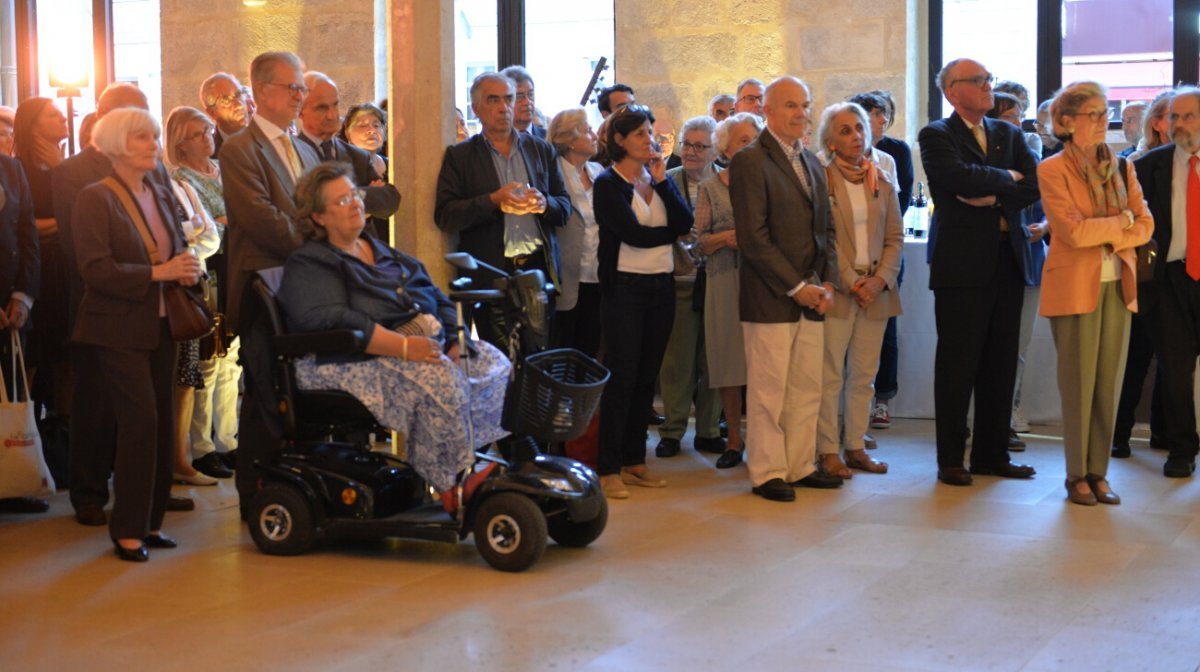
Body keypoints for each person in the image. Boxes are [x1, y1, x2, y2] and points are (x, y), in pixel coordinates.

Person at [278, 162, 509, 499]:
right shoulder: (311, 262)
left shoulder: (386, 253)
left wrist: (454, 342)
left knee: (490, 361)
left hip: (411, 345)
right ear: (318, 217)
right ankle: (451, 483)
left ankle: (476, 458)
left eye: (355, 194)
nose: (355, 203)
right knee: (439, 378)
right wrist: (403, 347)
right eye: (341, 201)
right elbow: (334, 319)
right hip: (345, 359)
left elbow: (436, 298)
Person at [53, 82, 195, 525]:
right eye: (140, 123)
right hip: (106, 309)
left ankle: (148, 495)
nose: (153, 140)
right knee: (96, 406)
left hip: (158, 309)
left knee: (153, 413)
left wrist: (184, 264)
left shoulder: (154, 173)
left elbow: (175, 225)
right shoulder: (76, 175)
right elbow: (84, 257)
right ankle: (91, 493)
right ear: (112, 121)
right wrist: (153, 273)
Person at [919, 58, 1040, 487]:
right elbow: (957, 178)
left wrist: (993, 196)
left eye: (989, 79)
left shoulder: (1009, 132)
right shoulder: (936, 134)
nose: (989, 86)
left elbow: (1034, 185)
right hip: (963, 267)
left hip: (1007, 261)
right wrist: (1006, 177)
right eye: (979, 81)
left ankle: (992, 454)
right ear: (952, 91)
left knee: (1000, 363)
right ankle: (951, 458)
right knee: (958, 365)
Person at [1040, 81, 1153, 504]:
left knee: (1108, 384)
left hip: (1118, 285)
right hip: (1074, 287)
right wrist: (1120, 224)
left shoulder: (1124, 167)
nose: (1105, 122)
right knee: (1078, 385)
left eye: (1107, 112)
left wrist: (1118, 226)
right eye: (1095, 114)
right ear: (1066, 122)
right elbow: (1071, 232)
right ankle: (1075, 475)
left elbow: (1146, 224)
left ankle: (1099, 472)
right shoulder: (1052, 169)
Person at [731, 77, 842, 502]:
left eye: (806, 105)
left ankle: (799, 465)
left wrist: (826, 283)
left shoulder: (812, 161)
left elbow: (827, 231)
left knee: (805, 388)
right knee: (768, 391)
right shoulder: (749, 161)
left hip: (812, 296)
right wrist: (796, 287)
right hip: (770, 298)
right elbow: (755, 238)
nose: (801, 114)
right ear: (769, 112)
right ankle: (767, 472)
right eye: (791, 106)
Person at [220, 50, 321, 507]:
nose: (302, 95)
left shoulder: (305, 148)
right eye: (293, 87)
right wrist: (316, 249)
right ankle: (254, 494)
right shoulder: (241, 148)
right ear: (262, 91)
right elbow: (260, 217)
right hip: (264, 286)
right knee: (263, 387)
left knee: (302, 390)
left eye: (303, 87)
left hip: (305, 291)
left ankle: (297, 485)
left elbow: (324, 208)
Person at [592, 105, 693, 499]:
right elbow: (633, 234)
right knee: (622, 377)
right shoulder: (607, 183)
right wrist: (671, 234)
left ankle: (636, 461)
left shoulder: (657, 179)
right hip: (624, 289)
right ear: (620, 140)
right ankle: (608, 467)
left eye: (650, 132)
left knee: (646, 378)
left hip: (660, 286)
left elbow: (684, 223)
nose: (649, 139)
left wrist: (663, 182)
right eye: (640, 134)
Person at [434, 72, 570, 352]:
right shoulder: (460, 156)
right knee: (501, 365)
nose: (503, 107)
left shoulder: (541, 149)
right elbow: (446, 215)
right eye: (493, 100)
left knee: (538, 361)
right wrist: (493, 200)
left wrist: (544, 204)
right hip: (493, 272)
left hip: (537, 269)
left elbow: (565, 207)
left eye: (509, 98)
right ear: (477, 109)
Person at [813, 102, 901, 479]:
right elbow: (824, 240)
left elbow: (894, 237)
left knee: (864, 375)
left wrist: (880, 279)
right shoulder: (822, 177)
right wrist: (852, 282)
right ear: (830, 140)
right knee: (830, 374)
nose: (856, 136)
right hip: (839, 288)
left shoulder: (879, 176)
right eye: (846, 130)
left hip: (876, 289)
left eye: (860, 128)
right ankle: (827, 450)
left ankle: (856, 446)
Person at [166, 106, 238, 481]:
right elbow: (210, 229)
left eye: (209, 130)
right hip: (207, 271)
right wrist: (225, 222)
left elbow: (234, 218)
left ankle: (229, 439)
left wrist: (226, 221)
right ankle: (202, 446)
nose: (209, 137)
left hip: (236, 264)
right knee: (208, 360)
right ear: (180, 142)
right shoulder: (181, 180)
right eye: (199, 133)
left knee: (232, 360)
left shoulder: (223, 171)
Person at [1135, 86, 1200, 479]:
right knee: (1175, 369)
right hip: (1171, 279)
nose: (1177, 124)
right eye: (1173, 117)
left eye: (1187, 116)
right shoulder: (1150, 165)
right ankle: (1181, 450)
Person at [695, 112, 761, 469]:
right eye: (741, 140)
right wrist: (727, 238)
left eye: (754, 138)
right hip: (724, 277)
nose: (749, 145)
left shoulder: (769, 182)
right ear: (725, 147)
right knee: (728, 362)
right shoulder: (710, 187)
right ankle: (734, 438)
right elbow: (698, 242)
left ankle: (765, 439)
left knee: (764, 362)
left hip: (764, 279)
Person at [848, 91, 914, 439]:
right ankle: (841, 419)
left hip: (882, 257)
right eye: (870, 114)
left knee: (882, 332)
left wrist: (881, 273)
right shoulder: (825, 165)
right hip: (846, 266)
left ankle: (879, 401)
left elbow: (896, 209)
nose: (877, 120)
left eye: (882, 113)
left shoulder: (890, 157)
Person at [657, 115, 723, 459]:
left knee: (713, 360)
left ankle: (710, 430)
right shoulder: (667, 180)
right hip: (680, 280)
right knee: (677, 361)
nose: (692, 152)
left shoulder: (725, 182)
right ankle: (672, 430)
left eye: (701, 146)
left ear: (715, 151)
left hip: (716, 281)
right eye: (688, 144)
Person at [987, 90, 1047, 446]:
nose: (1017, 124)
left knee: (1018, 345)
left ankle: (1007, 413)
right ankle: (976, 417)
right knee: (983, 344)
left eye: (1019, 117)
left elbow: (1040, 194)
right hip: (990, 258)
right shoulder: (978, 156)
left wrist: (1048, 225)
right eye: (1009, 117)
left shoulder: (1031, 154)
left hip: (1029, 256)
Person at [12, 98, 69, 425]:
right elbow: (23, 226)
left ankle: (63, 445)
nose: (63, 118)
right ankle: (23, 436)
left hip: (64, 266)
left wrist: (62, 171)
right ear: (33, 125)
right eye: (52, 115)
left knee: (65, 357)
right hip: (34, 269)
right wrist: (62, 221)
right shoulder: (18, 168)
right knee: (31, 359)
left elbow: (82, 214)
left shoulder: (66, 166)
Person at [298, 72, 401, 240]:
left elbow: (390, 200)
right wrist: (362, 199)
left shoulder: (358, 156)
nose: (332, 115)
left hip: (360, 249)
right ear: (300, 111)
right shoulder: (292, 151)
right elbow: (302, 209)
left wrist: (341, 200)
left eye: (335, 105)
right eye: (322, 108)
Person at [0, 140, 46, 515]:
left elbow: (28, 234)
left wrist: (22, 296)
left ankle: (10, 482)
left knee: (11, 394)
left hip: (11, 305)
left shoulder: (12, 168)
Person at [547, 107, 604, 358]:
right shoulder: (552, 174)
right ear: (570, 139)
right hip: (566, 276)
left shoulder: (598, 172)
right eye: (587, 130)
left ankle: (585, 397)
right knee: (562, 347)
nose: (594, 135)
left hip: (597, 274)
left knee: (589, 347)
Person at [199, 72, 252, 157]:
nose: (239, 105)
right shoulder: (208, 154)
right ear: (212, 113)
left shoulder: (267, 136)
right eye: (227, 100)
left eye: (238, 95)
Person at [339, 102, 388, 180]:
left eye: (376, 126)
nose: (371, 130)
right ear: (347, 133)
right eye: (363, 126)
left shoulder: (393, 166)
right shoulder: (340, 169)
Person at [500, 65, 546, 139]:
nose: (527, 102)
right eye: (519, 97)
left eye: (530, 94)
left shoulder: (549, 140)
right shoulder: (495, 142)